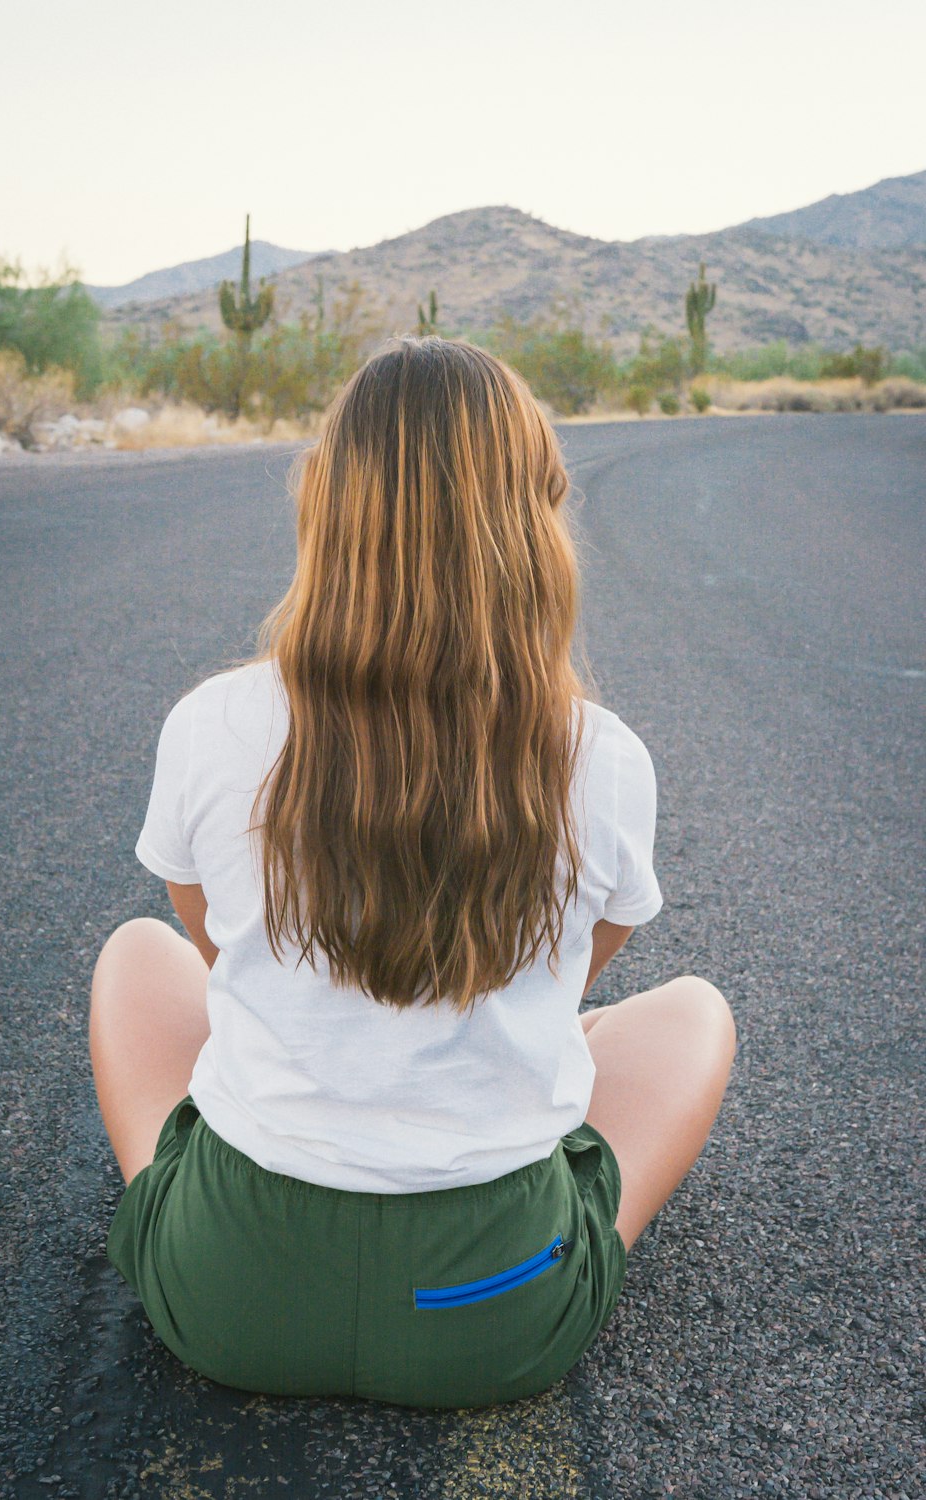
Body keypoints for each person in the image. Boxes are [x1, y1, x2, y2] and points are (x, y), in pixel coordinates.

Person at [89, 335, 736, 1409]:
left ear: (327, 509)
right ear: (533, 523)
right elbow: (580, 969)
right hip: (489, 1312)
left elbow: (216, 956)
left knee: (135, 957)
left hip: (229, 1297)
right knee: (693, 1014)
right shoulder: (603, 757)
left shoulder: (210, 724)